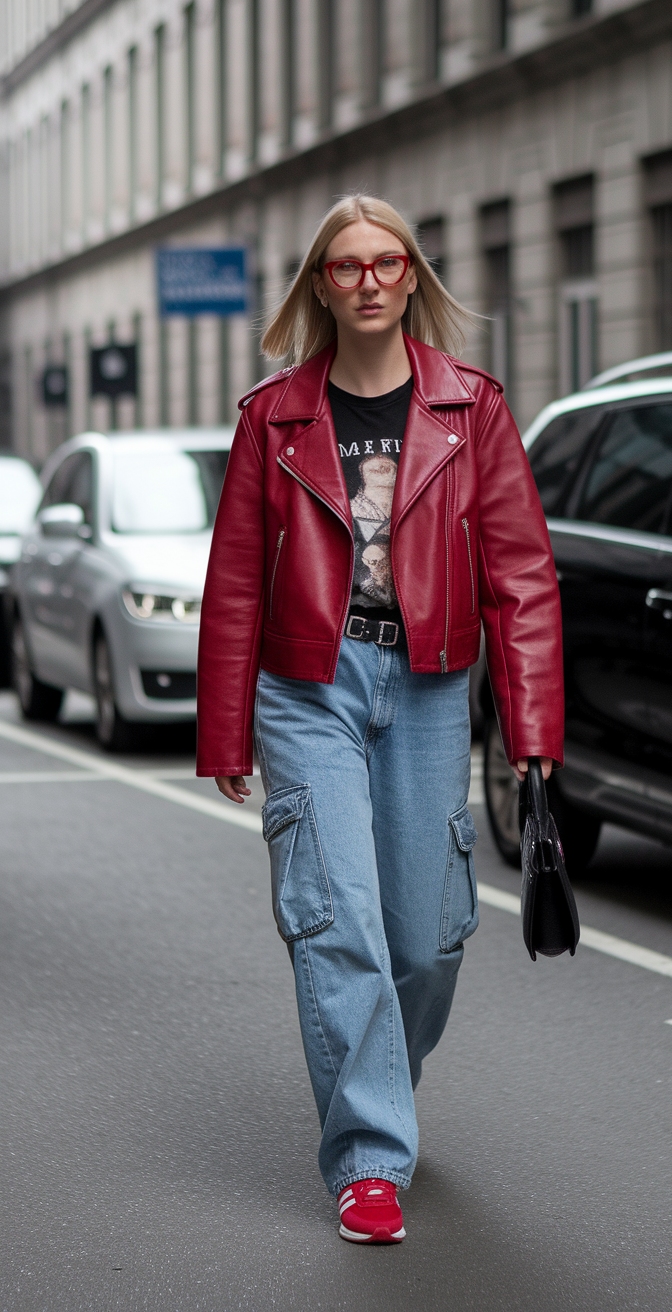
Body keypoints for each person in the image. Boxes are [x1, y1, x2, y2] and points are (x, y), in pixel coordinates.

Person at [196, 195, 564, 1244]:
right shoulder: (273, 416)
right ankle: (366, 1156)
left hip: (434, 683)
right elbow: (232, 584)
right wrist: (226, 727)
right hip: (309, 684)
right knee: (340, 917)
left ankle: (385, 1078)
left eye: (385, 262)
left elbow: (524, 578)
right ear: (320, 284)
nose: (366, 280)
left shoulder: (470, 408)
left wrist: (533, 728)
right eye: (344, 265)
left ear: (411, 278)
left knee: (425, 937)